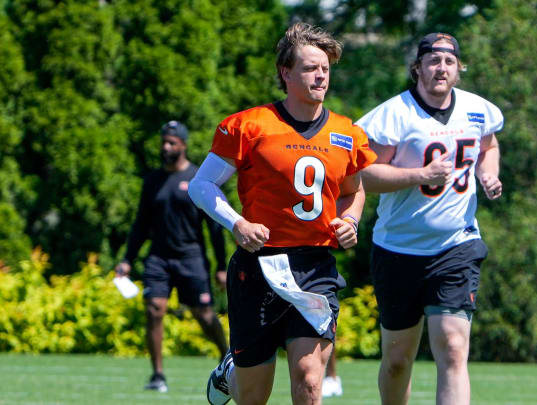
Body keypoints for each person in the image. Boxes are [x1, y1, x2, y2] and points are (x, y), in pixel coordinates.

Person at [189, 23, 376, 405]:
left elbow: (355, 191)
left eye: (325, 68)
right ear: (285, 73)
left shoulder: (347, 133)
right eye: (310, 68)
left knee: (309, 381)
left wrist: (351, 221)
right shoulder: (249, 125)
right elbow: (200, 186)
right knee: (253, 396)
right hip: (259, 267)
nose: (320, 75)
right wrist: (236, 223)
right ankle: (231, 373)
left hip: (315, 268)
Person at [357, 33, 503, 405]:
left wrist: (489, 172)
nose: (441, 68)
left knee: (453, 348)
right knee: (397, 360)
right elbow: (362, 175)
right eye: (433, 60)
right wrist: (419, 176)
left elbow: (488, 144)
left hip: (457, 245)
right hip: (398, 248)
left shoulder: (477, 109)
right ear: (418, 67)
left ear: (458, 69)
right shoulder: (394, 114)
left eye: (449, 61)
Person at [114, 120, 229, 393]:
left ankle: (226, 356)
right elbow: (140, 224)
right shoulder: (152, 181)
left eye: (172, 143)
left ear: (183, 145)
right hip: (158, 258)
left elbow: (214, 226)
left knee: (204, 315)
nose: (166, 147)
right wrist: (127, 259)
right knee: (154, 310)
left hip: (191, 257)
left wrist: (221, 266)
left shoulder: (198, 179)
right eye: (164, 141)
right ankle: (157, 375)